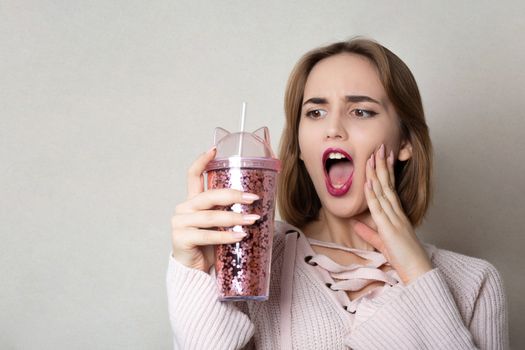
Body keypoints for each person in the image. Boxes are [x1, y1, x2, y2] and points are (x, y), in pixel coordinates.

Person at [167, 37, 509, 349]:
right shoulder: (250, 261)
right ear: (300, 146)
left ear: (405, 141)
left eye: (361, 111)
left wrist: (419, 276)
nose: (332, 129)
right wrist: (194, 271)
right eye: (315, 112)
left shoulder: (473, 283)